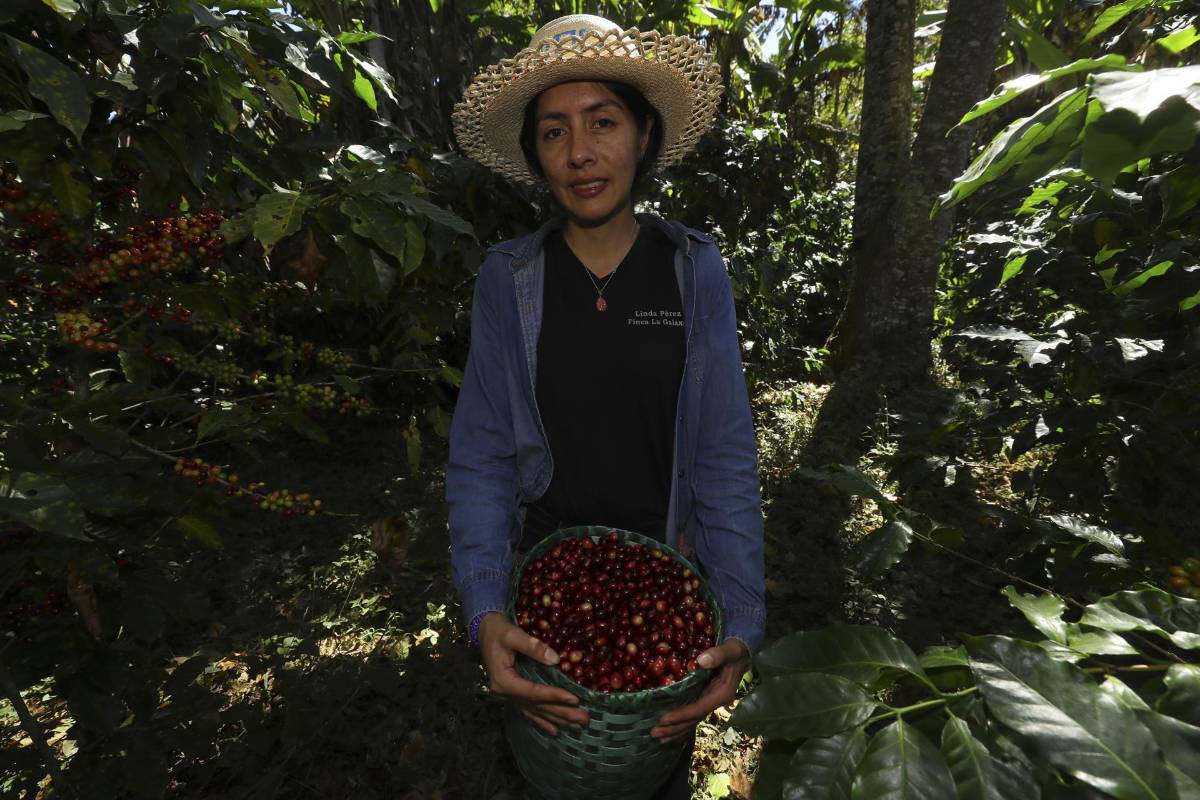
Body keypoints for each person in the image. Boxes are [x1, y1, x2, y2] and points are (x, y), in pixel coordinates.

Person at [446, 14, 765, 799]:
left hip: (666, 585)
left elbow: (723, 454)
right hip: (546, 599)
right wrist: (488, 610)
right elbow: (483, 453)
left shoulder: (694, 272)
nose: (580, 153)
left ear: (645, 134)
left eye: (604, 123)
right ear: (534, 154)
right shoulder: (509, 280)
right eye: (554, 132)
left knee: (651, 781)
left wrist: (742, 621)